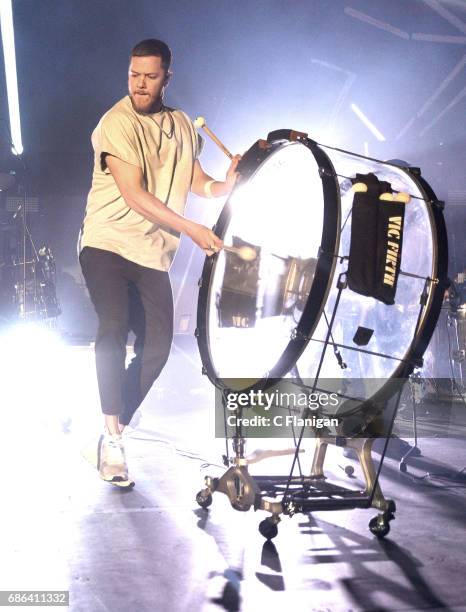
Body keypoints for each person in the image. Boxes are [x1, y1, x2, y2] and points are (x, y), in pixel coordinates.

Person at [78, 38, 240, 483]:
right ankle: (112, 439)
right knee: (112, 327)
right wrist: (191, 229)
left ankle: (115, 427)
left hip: (153, 254)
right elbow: (135, 195)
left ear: (168, 77)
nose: (140, 85)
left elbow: (197, 182)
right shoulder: (116, 122)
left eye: (150, 77)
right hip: (107, 242)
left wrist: (226, 185)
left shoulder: (183, 124)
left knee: (158, 348)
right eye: (134, 75)